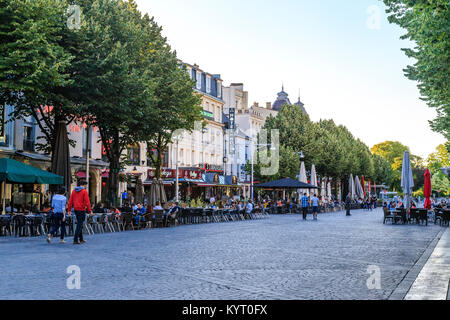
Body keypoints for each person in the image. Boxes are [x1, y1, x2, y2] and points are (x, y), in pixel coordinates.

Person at [68, 180, 92, 245]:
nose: (86, 186)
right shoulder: (84, 191)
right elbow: (87, 202)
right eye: (85, 185)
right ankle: (75, 239)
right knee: (79, 224)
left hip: (75, 209)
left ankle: (81, 238)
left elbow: (70, 201)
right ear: (84, 185)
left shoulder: (74, 191)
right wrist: (90, 211)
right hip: (82, 209)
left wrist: (69, 210)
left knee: (79, 223)